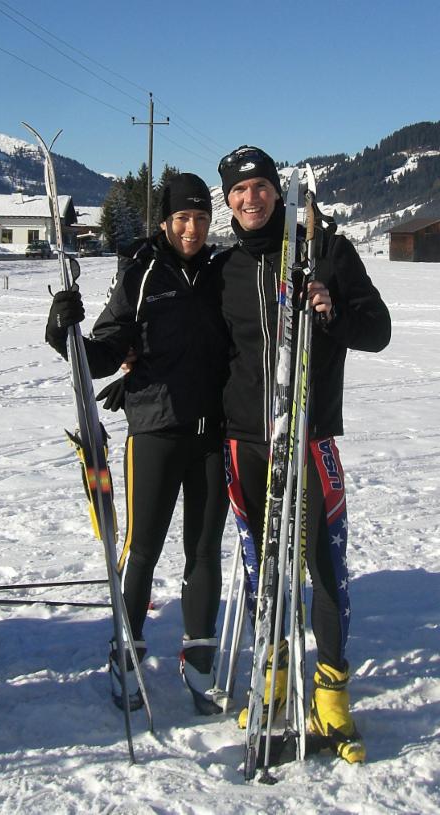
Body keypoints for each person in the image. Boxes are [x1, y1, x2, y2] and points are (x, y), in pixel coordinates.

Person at [215, 146, 391, 762]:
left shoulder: (328, 253)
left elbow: (378, 329)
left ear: (277, 193)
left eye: (261, 187)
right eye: (239, 191)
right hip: (247, 440)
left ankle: (331, 697)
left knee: (323, 565)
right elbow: (192, 344)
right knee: (264, 569)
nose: (251, 199)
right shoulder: (225, 267)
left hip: (310, 435)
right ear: (228, 200)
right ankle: (273, 680)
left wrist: (332, 311)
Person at [45, 173, 229, 716]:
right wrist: (65, 335)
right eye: (182, 218)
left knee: (204, 551)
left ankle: (200, 664)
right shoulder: (143, 271)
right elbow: (108, 349)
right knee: (142, 548)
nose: (192, 229)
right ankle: (125, 655)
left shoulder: (222, 272)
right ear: (166, 221)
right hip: (155, 428)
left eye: (201, 218)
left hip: (213, 433)